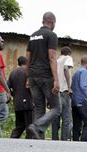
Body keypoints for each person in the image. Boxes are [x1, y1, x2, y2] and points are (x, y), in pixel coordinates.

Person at [25, 12, 60, 140]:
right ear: (52, 22)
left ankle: (37, 138)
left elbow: (27, 58)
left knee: (39, 107)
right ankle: (36, 127)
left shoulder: (33, 36)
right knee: (56, 108)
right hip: (45, 76)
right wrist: (56, 80)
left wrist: (28, 77)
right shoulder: (51, 35)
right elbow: (52, 57)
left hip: (33, 76)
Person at [7, 56, 33, 139]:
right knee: (29, 124)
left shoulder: (13, 72)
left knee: (19, 125)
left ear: (19, 63)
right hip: (28, 102)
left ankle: (13, 139)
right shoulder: (28, 71)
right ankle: (29, 142)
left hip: (17, 103)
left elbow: (8, 87)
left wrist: (13, 94)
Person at [52, 46, 74, 141]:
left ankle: (54, 139)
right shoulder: (68, 58)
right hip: (64, 92)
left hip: (55, 93)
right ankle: (64, 140)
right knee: (66, 119)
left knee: (55, 118)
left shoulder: (56, 61)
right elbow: (66, 68)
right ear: (69, 53)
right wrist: (69, 87)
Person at [71, 57, 87, 141]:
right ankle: (83, 142)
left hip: (74, 102)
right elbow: (83, 86)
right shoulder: (84, 71)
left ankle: (75, 142)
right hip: (82, 101)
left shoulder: (76, 72)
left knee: (77, 124)